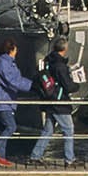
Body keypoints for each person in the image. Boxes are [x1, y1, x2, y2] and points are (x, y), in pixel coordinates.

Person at [27, 37, 81, 166]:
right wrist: (77, 85)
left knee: (48, 130)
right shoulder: (60, 66)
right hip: (60, 102)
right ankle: (70, 159)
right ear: (65, 49)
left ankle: (35, 155)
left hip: (49, 99)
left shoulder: (48, 62)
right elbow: (67, 86)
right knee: (68, 129)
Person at [0, 40, 34, 167]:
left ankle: (0, 158)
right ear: (11, 50)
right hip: (3, 101)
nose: (16, 53)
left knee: (4, 128)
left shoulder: (6, 62)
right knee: (11, 127)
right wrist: (33, 86)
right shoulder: (4, 63)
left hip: (5, 101)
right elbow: (13, 80)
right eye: (15, 50)